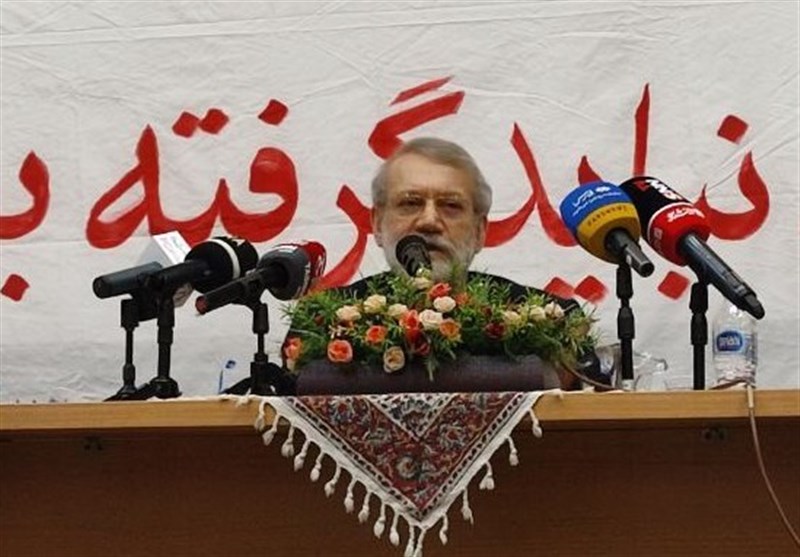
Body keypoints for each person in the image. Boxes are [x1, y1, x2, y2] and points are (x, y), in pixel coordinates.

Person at [279, 137, 602, 392]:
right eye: (410, 203)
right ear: (376, 224)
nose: (429, 221)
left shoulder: (551, 320)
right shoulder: (322, 321)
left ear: (480, 232)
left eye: (450, 206)